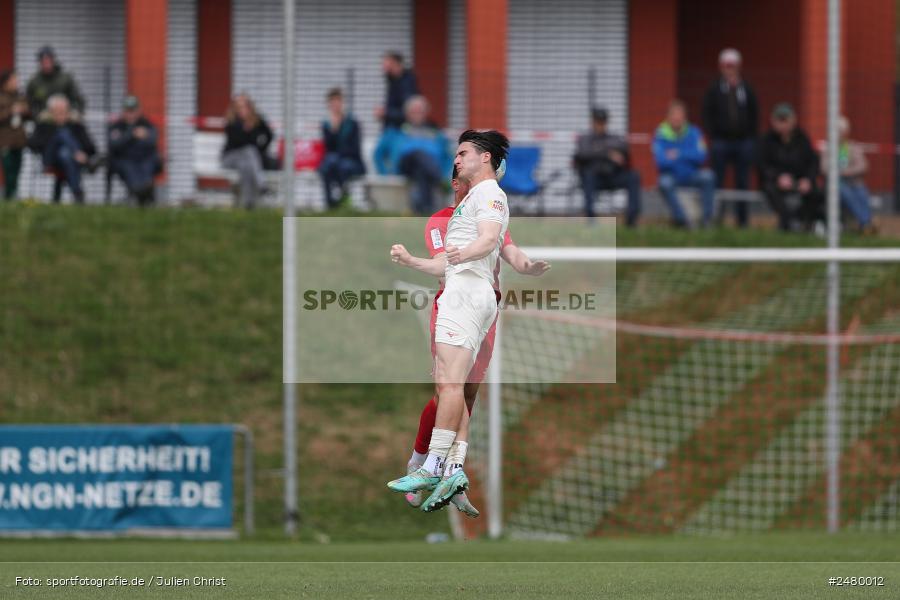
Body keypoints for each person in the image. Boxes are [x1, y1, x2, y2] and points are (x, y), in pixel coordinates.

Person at [388, 165, 550, 516]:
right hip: (454, 302)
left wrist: (527, 266)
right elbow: (441, 265)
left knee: (468, 393)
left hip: (485, 310)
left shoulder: (488, 214)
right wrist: (411, 261)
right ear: (455, 183)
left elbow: (510, 250)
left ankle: (452, 472)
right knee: (449, 389)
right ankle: (420, 462)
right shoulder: (441, 220)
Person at [386, 129, 509, 512]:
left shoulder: (486, 196)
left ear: (484, 158)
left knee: (453, 388)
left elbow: (490, 242)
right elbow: (458, 256)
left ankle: (432, 465)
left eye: (462, 153)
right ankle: (446, 466)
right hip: (468, 296)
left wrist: (463, 257)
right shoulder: (460, 210)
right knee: (452, 388)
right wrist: (413, 262)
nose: (455, 161)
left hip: (467, 296)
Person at [702, 48, 759, 228]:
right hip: (721, 142)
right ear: (721, 67)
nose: (730, 70)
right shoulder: (714, 89)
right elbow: (707, 113)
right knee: (717, 180)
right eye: (726, 66)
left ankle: (742, 220)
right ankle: (717, 217)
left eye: (732, 66)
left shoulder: (746, 89)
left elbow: (754, 113)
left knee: (743, 180)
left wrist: (751, 137)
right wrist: (713, 134)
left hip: (743, 142)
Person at [373, 95, 452, 215]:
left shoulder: (435, 133)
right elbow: (378, 154)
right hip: (404, 166)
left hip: (423, 170)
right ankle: (437, 179)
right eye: (414, 111)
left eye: (420, 111)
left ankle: (423, 209)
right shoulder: (396, 131)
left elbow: (448, 156)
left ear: (426, 113)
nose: (417, 114)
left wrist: (446, 173)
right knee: (417, 154)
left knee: (421, 170)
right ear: (407, 113)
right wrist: (385, 174)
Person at [758, 103, 822, 232]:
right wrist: (778, 177)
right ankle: (788, 221)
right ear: (773, 121)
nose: (783, 124)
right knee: (770, 189)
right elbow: (762, 165)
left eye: (786, 120)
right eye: (780, 120)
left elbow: (813, 162)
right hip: (776, 182)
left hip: (800, 179)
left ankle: (804, 221)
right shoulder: (767, 140)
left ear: (793, 121)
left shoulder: (802, 138)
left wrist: (808, 179)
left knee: (817, 193)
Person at [652, 100, 716, 228]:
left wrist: (678, 154)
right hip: (671, 176)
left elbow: (701, 156)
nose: (677, 118)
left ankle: (707, 220)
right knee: (664, 183)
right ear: (668, 117)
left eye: (679, 115)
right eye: (674, 115)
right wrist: (687, 156)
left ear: (684, 117)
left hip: (692, 174)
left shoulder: (694, 132)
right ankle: (681, 220)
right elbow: (661, 162)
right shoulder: (660, 134)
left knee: (709, 176)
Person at [573, 107, 642, 226]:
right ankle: (591, 219)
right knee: (588, 176)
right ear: (593, 122)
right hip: (594, 179)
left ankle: (631, 219)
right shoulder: (585, 139)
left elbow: (624, 148)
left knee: (633, 176)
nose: (600, 125)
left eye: (603, 122)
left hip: (612, 177)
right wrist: (608, 153)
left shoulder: (613, 138)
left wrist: (602, 151)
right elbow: (583, 153)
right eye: (598, 122)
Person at [28, 94, 97, 204]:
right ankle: (84, 163)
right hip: (50, 159)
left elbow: (91, 147)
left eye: (64, 111)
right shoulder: (44, 124)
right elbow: (32, 144)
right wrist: (51, 137)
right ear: (50, 111)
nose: (61, 115)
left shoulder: (75, 124)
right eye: (57, 112)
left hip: (68, 159)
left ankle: (76, 192)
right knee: (62, 134)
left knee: (64, 154)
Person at [820, 116, 874, 233]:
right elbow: (824, 168)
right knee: (846, 193)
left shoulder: (852, 147)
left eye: (839, 131)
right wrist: (837, 173)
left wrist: (847, 172)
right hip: (835, 184)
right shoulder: (828, 148)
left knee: (861, 192)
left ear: (845, 132)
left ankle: (866, 223)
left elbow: (863, 165)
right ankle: (866, 223)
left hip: (853, 181)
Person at [107, 95, 162, 206]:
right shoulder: (117, 126)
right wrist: (132, 135)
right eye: (128, 111)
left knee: (148, 167)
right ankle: (138, 193)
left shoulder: (147, 124)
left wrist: (145, 136)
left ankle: (145, 192)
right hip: (126, 159)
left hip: (145, 159)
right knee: (129, 169)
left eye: (133, 110)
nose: (130, 114)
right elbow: (114, 145)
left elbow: (153, 141)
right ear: (123, 111)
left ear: (139, 110)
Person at [222, 93, 274, 209]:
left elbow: (269, 135)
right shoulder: (232, 122)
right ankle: (262, 186)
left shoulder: (257, 120)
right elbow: (237, 143)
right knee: (249, 151)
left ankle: (248, 204)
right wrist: (247, 129)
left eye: (245, 106)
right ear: (235, 108)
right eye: (239, 107)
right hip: (230, 158)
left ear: (250, 107)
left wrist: (261, 149)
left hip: (247, 161)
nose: (242, 109)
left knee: (245, 164)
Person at [318, 88, 365, 209]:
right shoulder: (327, 125)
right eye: (332, 102)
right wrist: (334, 130)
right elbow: (329, 147)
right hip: (335, 161)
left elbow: (354, 148)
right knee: (326, 167)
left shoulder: (352, 123)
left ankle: (343, 198)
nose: (335, 105)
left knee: (338, 165)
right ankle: (330, 203)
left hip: (352, 161)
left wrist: (338, 155)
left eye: (337, 101)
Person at [26, 46, 85, 116]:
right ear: (40, 62)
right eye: (43, 61)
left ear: (53, 60)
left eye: (48, 60)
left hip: (65, 119)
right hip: (44, 122)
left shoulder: (66, 79)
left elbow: (78, 100)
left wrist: (74, 112)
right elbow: (29, 103)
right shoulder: (34, 82)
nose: (46, 63)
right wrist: (37, 115)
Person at [0, 69, 30, 201]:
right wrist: (11, 111)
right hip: (5, 141)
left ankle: (12, 198)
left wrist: (25, 111)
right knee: (9, 172)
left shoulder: (20, 96)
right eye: (13, 80)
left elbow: (30, 116)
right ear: (5, 83)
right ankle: (8, 198)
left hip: (19, 141)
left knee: (17, 171)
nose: (16, 83)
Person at [375, 51, 418, 130]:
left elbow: (409, 112)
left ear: (395, 63)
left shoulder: (406, 83)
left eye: (385, 63)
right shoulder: (394, 81)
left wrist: (386, 113)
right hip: (393, 130)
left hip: (401, 132)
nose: (383, 67)